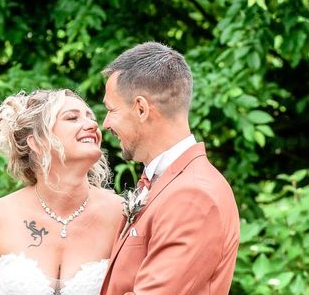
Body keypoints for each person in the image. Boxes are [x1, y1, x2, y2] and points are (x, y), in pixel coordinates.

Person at [99, 42, 240, 295]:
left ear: (141, 108)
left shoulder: (194, 195)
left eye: (111, 110)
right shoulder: (164, 182)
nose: (105, 123)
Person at [0, 89, 123, 295]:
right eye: (72, 118)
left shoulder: (121, 214)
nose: (93, 125)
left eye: (90, 117)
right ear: (37, 142)